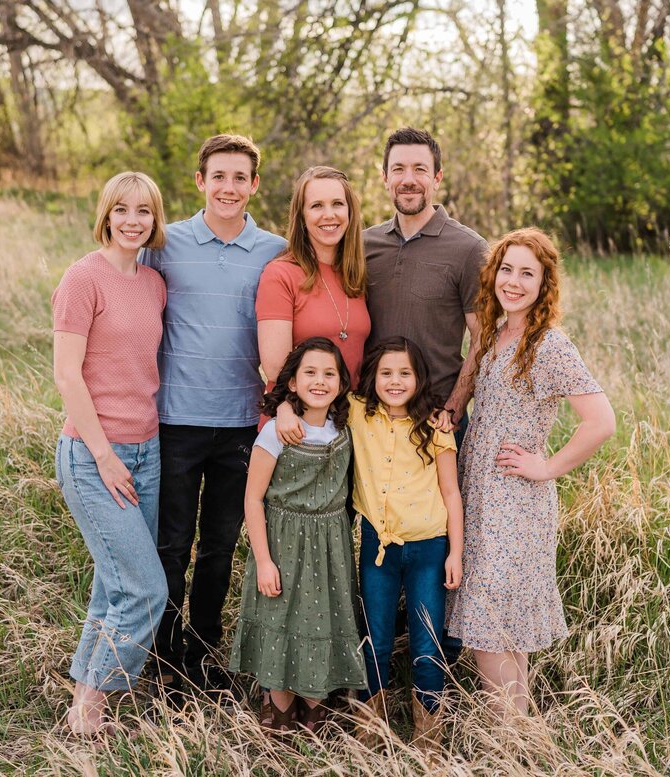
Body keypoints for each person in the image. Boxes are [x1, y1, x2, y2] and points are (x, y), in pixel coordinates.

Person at [445, 228, 615, 715]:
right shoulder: (498, 335)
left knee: (490, 628)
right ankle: (521, 742)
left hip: (516, 503)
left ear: (544, 284)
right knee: (503, 629)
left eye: (527, 273)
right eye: (506, 269)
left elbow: (601, 422)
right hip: (479, 497)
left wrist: (546, 468)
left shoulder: (548, 345)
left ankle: (507, 746)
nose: (513, 282)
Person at [140, 134, 285, 699]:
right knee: (172, 544)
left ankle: (202, 653)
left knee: (220, 544)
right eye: (218, 176)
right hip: (175, 419)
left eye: (240, 177)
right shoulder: (164, 244)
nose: (229, 187)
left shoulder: (273, 250)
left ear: (254, 185)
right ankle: (162, 653)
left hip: (241, 423)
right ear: (199, 181)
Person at [51, 171, 170, 737]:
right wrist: (103, 455)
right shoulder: (83, 279)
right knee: (147, 590)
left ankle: (81, 706)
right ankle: (91, 714)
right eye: (122, 210)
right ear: (106, 214)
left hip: (147, 452)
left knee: (113, 584)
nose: (133, 221)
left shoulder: (152, 284)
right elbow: (66, 375)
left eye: (144, 211)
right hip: (95, 456)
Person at [229, 337, 367, 733]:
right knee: (280, 621)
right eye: (310, 372)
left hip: (330, 547)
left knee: (321, 622)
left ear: (342, 383)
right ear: (292, 382)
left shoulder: (345, 430)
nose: (320, 381)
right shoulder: (276, 432)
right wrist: (264, 561)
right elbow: (253, 499)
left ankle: (315, 711)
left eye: (329, 374)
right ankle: (279, 713)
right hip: (282, 543)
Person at [347, 337, 464, 749]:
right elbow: (314, 394)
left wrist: (456, 552)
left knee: (426, 643)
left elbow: (451, 493)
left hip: (429, 549)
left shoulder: (435, 426)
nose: (395, 382)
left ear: (419, 378)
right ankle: (369, 729)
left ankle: (429, 737)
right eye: (386, 373)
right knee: (374, 639)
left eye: (404, 373)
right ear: (372, 378)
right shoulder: (357, 414)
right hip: (378, 547)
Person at [364, 127, 488, 443]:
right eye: (398, 169)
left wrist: (455, 406)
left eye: (420, 169)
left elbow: (482, 338)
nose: (408, 180)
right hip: (372, 419)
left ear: (437, 178)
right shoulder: (363, 245)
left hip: (438, 419)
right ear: (385, 178)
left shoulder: (469, 249)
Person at [256, 166, 370, 386]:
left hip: (349, 415)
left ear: (350, 211)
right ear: (301, 216)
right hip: (296, 414)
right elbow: (275, 370)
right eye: (317, 206)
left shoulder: (355, 275)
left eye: (337, 204)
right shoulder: (280, 274)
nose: (329, 215)